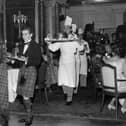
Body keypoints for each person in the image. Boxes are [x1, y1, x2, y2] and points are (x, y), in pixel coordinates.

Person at [46, 25, 83, 105]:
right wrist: (49, 42)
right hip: (62, 61)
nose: (65, 29)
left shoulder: (74, 38)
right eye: (65, 28)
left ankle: (70, 97)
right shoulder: (61, 39)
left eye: (67, 28)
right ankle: (66, 93)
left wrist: (79, 41)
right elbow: (53, 48)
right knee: (62, 79)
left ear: (70, 29)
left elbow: (81, 48)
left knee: (70, 80)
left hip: (71, 61)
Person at [16, 25, 41, 126]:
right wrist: (14, 60)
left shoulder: (36, 45)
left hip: (31, 71)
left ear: (31, 34)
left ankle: (29, 116)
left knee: (26, 95)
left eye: (26, 34)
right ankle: (28, 114)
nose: (24, 36)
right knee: (22, 93)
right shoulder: (22, 45)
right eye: (22, 34)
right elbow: (20, 59)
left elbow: (38, 61)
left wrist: (26, 60)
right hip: (23, 71)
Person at [103, 47, 126, 113]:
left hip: (108, 86)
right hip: (118, 86)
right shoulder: (123, 61)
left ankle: (111, 103)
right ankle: (124, 107)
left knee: (119, 85)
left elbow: (105, 60)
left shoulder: (109, 61)